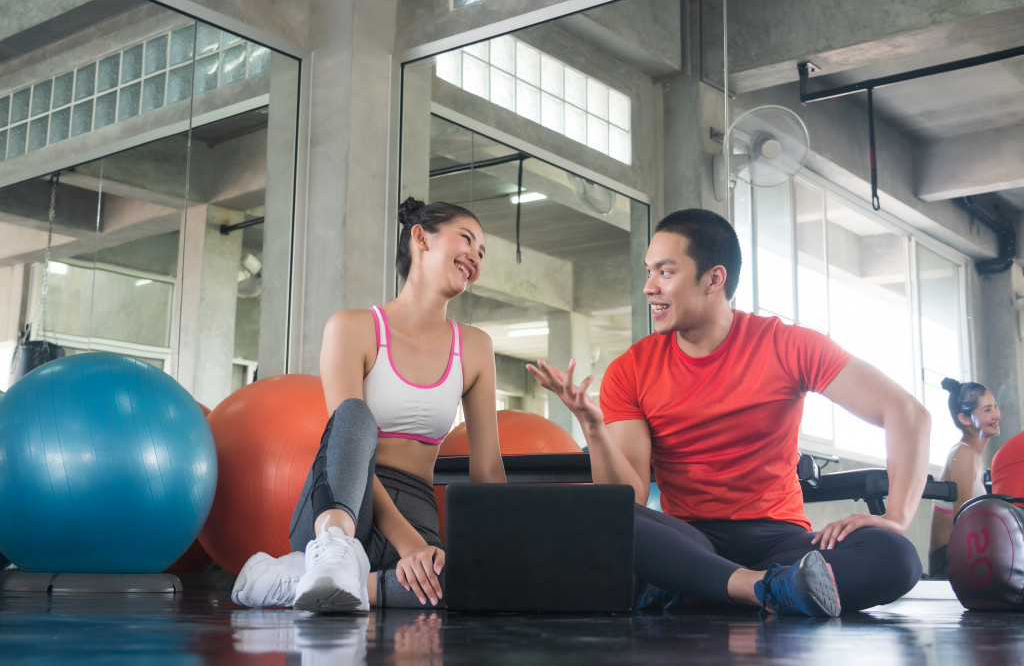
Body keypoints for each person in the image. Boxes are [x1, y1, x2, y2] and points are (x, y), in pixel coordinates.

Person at [528, 208, 931, 617]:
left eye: (665, 272)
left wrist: (896, 517)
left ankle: (704, 587)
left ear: (714, 279)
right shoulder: (630, 370)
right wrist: (592, 427)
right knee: (587, 510)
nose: (649, 287)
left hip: (782, 540)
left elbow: (907, 414)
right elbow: (626, 499)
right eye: (648, 272)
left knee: (896, 557)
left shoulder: (788, 345)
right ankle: (762, 588)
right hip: (687, 539)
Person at [231, 197, 507, 612]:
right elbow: (345, 440)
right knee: (356, 416)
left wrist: (504, 550)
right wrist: (407, 541)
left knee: (473, 578)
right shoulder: (353, 327)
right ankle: (333, 557)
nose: (475, 257)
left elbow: (487, 470)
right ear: (420, 238)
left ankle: (303, 584)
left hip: (417, 513)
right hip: (342, 504)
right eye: (466, 240)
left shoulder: (475, 347)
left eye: (482, 253)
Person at [927, 378, 999, 579]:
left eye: (995, 406)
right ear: (965, 419)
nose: (996, 415)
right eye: (987, 410)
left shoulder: (974, 456)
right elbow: (965, 522)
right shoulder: (962, 454)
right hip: (949, 564)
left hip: (965, 557)